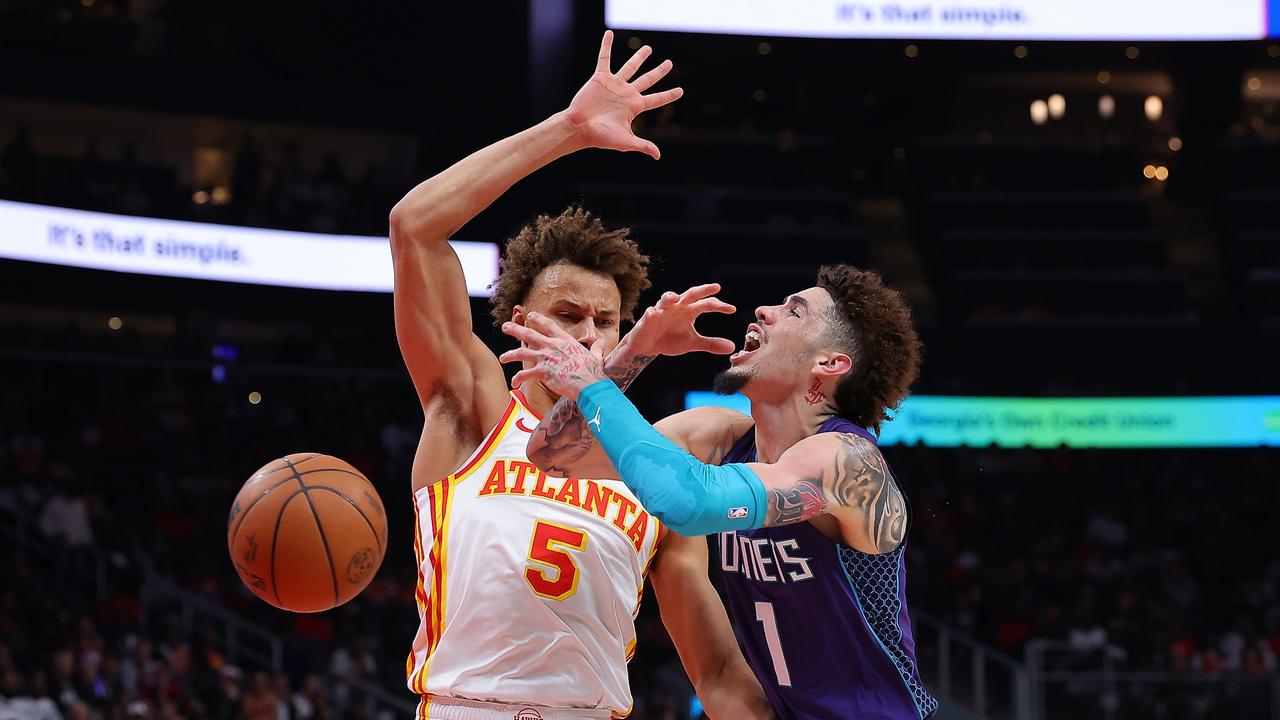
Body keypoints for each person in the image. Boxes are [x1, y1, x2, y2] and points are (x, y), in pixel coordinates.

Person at [389, 31, 771, 720]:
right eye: (566, 314)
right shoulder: (472, 408)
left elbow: (714, 671)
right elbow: (415, 226)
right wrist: (568, 130)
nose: (589, 334)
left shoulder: (655, 476)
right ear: (516, 320)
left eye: (607, 321)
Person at [504, 265, 940, 719]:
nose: (764, 311)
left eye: (793, 311)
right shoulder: (721, 435)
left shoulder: (846, 462)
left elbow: (690, 503)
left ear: (829, 364)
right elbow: (555, 454)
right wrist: (636, 349)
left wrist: (592, 384)